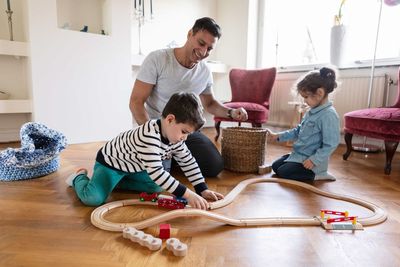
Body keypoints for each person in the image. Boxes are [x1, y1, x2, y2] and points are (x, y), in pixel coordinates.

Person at [129, 17, 248, 177]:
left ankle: (173, 158)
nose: (203, 52)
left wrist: (231, 113)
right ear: (190, 34)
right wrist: (151, 135)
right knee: (146, 172)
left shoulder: (204, 71)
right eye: (201, 43)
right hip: (157, 129)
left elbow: (210, 103)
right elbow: (136, 102)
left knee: (214, 166)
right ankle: (168, 158)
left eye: (209, 48)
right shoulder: (158, 59)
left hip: (186, 131)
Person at [66, 92, 224, 209]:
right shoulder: (149, 136)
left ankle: (118, 183)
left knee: (156, 187)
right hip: (111, 164)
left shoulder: (175, 137)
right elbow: (157, 172)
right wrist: (188, 195)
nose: (185, 138)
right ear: (170, 119)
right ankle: (79, 177)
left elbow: (188, 161)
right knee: (92, 198)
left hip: (134, 167)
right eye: (184, 132)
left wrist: (202, 189)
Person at [267, 67, 340, 182]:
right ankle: (294, 164)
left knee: (283, 171)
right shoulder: (312, 111)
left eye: (306, 97)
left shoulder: (328, 115)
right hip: (300, 155)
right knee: (276, 166)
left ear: (320, 93)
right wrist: (278, 136)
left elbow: (331, 144)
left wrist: (314, 160)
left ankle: (319, 174)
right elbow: (298, 131)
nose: (304, 101)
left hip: (311, 162)